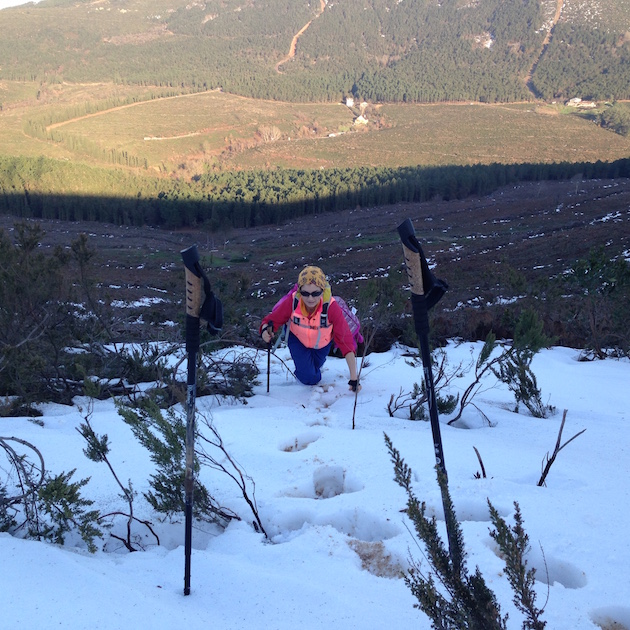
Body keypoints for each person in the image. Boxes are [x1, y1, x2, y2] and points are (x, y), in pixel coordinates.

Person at [260, 266, 361, 392]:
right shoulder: (293, 301)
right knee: (310, 378)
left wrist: (354, 378)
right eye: (305, 293)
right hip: (297, 340)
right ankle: (306, 372)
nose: (310, 298)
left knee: (313, 369)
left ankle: (308, 369)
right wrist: (265, 331)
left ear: (322, 290)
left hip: (322, 345)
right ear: (300, 291)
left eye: (315, 293)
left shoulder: (331, 307)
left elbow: (345, 341)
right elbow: (271, 320)